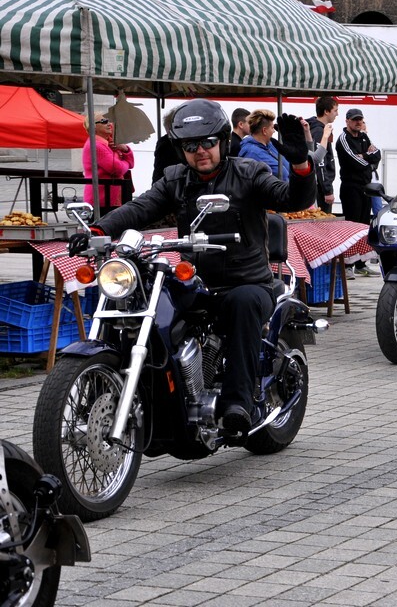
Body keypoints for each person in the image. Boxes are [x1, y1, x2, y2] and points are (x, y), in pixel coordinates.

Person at [68, 99, 316, 437]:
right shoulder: (175, 179)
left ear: (223, 141)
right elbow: (141, 207)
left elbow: (291, 199)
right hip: (198, 283)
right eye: (190, 145)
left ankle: (236, 405)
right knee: (143, 304)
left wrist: (301, 163)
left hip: (247, 282)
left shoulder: (248, 172)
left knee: (242, 304)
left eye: (207, 142)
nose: (200, 151)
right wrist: (96, 230)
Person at [336, 108, 382, 275]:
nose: (358, 122)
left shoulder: (363, 136)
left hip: (366, 187)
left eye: (360, 119)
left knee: (364, 226)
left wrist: (367, 157)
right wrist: (367, 158)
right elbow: (354, 161)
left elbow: (377, 154)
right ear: (347, 121)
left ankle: (361, 264)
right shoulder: (343, 139)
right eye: (354, 120)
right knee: (351, 226)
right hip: (351, 187)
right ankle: (348, 265)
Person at [82, 112, 134, 211]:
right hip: (102, 199)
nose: (109, 124)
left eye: (109, 121)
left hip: (110, 197)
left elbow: (131, 164)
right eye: (104, 121)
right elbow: (117, 169)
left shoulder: (109, 143)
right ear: (93, 127)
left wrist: (125, 149)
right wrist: (125, 163)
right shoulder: (96, 145)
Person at [306, 96, 338, 212]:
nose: (337, 114)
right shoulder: (319, 131)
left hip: (320, 187)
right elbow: (320, 162)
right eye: (335, 110)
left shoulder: (318, 128)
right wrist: (327, 190)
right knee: (322, 225)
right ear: (326, 111)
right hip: (320, 190)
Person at [239, 109, 282, 177]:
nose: (274, 131)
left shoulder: (270, 145)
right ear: (264, 130)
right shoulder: (251, 154)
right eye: (272, 128)